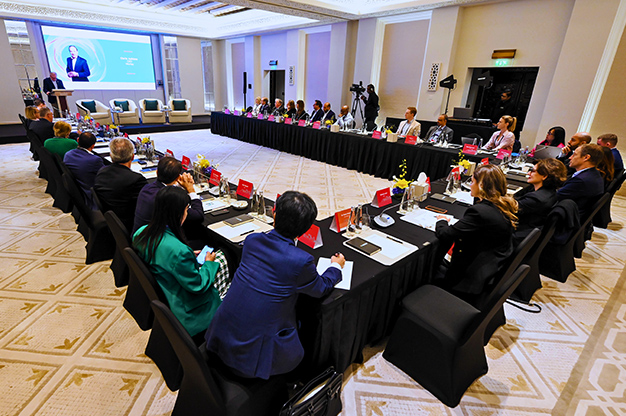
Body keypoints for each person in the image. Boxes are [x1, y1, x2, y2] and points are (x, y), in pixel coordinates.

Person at [206, 191, 344, 380]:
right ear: (305, 231)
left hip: (220, 336)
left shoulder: (252, 240)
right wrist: (336, 267)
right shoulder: (301, 261)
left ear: (274, 214)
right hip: (250, 358)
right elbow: (320, 288)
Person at [133, 186, 229, 341]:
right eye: (186, 209)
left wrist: (189, 254)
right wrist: (209, 264)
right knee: (223, 259)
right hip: (188, 309)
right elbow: (198, 285)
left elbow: (166, 254)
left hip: (166, 288)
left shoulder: (141, 232)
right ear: (178, 213)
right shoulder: (179, 251)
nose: (187, 212)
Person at [434, 164, 517, 306]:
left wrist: (441, 221)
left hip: (469, 278)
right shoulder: (502, 205)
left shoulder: (480, 212)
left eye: (472, 182)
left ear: (482, 185)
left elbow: (446, 234)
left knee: (432, 266)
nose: (470, 185)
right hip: (489, 267)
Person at [133, 157, 207, 246]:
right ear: (177, 178)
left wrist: (180, 186)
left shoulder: (147, 188)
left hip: (140, 239)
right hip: (154, 245)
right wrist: (191, 190)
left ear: (157, 172)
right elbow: (198, 216)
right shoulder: (168, 198)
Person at [94, 138, 148, 231]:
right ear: (132, 157)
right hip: (131, 224)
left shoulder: (101, 172)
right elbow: (148, 206)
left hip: (112, 220)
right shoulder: (136, 180)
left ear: (111, 156)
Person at [513, 158, 567, 244]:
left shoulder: (536, 199)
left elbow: (509, 209)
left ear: (544, 176)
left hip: (515, 237)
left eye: (533, 171)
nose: (528, 173)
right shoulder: (550, 192)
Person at [557, 143, 605, 220]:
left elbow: (556, 197)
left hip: (565, 218)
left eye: (574, 155)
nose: (570, 157)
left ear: (586, 157)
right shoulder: (593, 174)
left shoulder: (582, 180)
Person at [63, 132, 104, 208]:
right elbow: (106, 176)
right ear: (93, 146)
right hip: (90, 195)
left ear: (78, 140)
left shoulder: (68, 154)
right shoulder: (95, 160)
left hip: (78, 191)